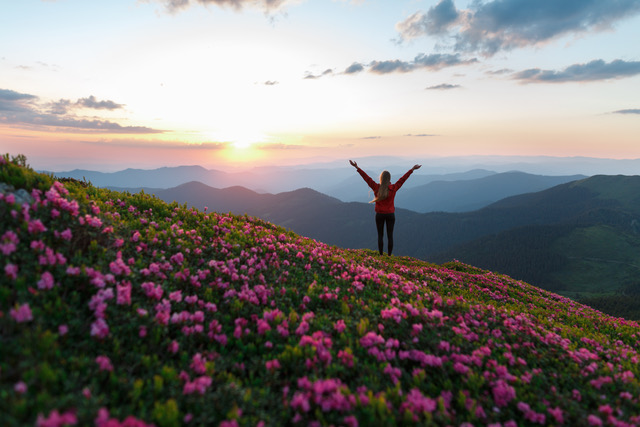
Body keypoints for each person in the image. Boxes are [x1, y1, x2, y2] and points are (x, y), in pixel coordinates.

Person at [349, 160, 421, 256]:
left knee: (380, 235)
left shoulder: (376, 187)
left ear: (381, 178)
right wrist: (412, 169)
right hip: (390, 215)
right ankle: (389, 256)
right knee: (390, 236)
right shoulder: (393, 188)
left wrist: (356, 167)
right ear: (389, 178)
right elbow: (403, 179)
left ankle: (381, 255)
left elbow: (366, 178)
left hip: (379, 215)